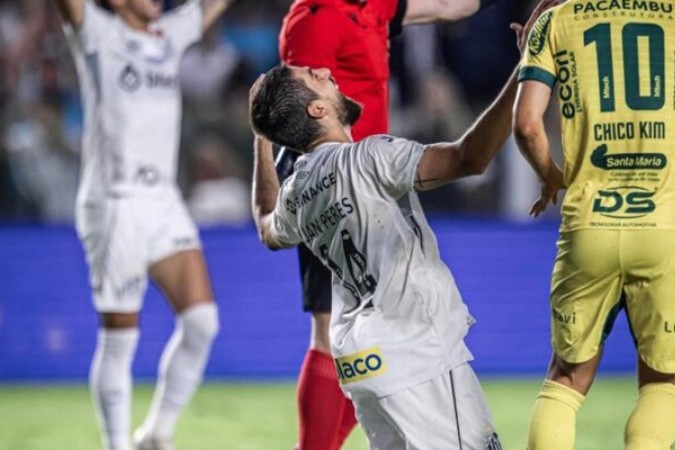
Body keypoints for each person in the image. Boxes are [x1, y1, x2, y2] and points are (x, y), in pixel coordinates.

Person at [249, 3, 553, 448]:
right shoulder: (370, 158)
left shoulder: (299, 191)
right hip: (418, 355)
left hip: (360, 364)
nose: (324, 71)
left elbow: (265, 224)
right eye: (315, 77)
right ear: (317, 110)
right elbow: (471, 158)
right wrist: (527, 67)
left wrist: (261, 138)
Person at [54, 1, 232, 449]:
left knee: (202, 323)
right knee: (120, 340)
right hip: (116, 202)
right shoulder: (95, 31)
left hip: (163, 199)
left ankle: (155, 434)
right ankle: (116, 444)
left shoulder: (169, 36)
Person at [514, 2, 675, 449]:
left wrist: (551, 177)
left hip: (589, 221)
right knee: (665, 381)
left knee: (566, 378)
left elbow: (526, 126)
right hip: (666, 225)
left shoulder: (555, 20)